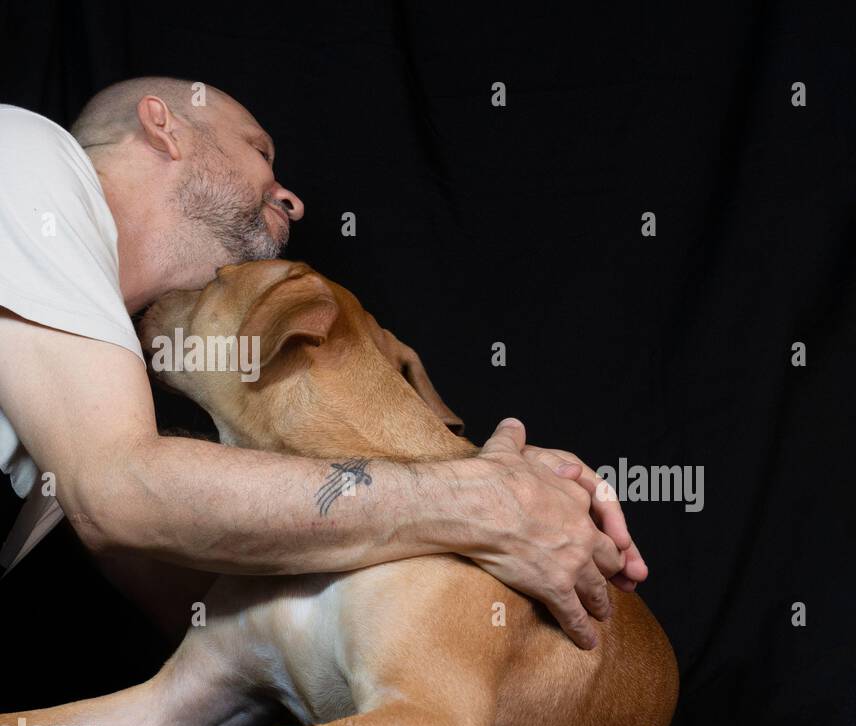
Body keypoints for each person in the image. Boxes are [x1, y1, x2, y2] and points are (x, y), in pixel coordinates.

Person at [0, 76, 646, 650]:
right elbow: (125, 493)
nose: (293, 200)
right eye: (260, 152)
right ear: (162, 126)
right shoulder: (25, 152)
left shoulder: (69, 398)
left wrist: (476, 476)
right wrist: (484, 501)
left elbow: (215, 620)